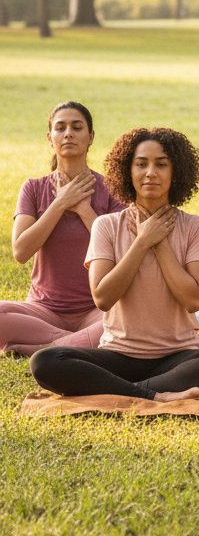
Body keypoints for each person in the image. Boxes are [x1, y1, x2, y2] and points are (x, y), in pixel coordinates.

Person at [30, 128, 199, 401]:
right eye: (141, 164)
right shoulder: (106, 225)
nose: (150, 173)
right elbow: (103, 297)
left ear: (176, 171)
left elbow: (193, 300)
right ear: (127, 171)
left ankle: (130, 390)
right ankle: (156, 393)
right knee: (46, 361)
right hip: (118, 355)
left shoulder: (195, 227)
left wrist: (160, 243)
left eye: (161, 164)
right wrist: (142, 241)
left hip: (177, 357)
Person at [3, 102, 123, 356]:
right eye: (61, 128)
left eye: (77, 127)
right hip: (43, 311)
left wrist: (83, 209)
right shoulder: (33, 188)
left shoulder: (111, 189)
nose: (68, 133)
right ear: (50, 138)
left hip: (97, 309)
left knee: (130, 318)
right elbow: (21, 251)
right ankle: (76, 342)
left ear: (90, 137)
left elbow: (120, 252)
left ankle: (48, 347)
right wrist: (60, 203)